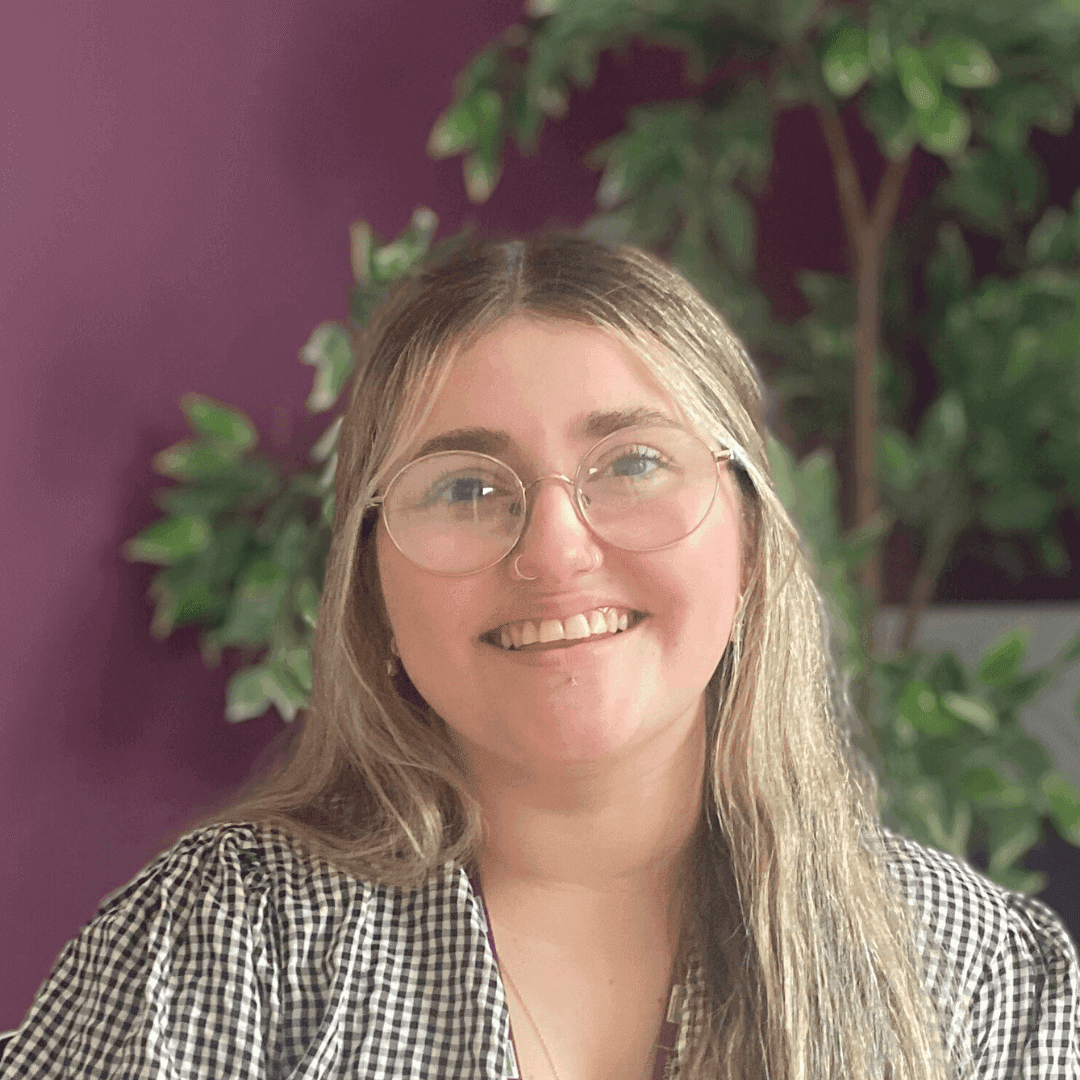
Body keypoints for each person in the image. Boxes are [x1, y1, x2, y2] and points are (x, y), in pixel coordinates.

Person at [3, 236, 1078, 1080]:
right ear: (371, 587)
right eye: (466, 487)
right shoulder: (230, 941)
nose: (557, 550)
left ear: (750, 540)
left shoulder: (976, 972)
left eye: (634, 462)